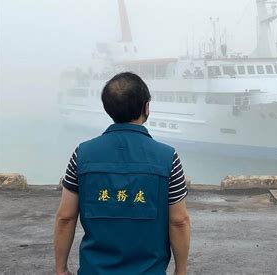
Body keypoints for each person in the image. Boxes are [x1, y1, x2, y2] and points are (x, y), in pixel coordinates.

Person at [54, 72, 190, 275]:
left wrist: (61, 268)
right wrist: (181, 271)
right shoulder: (168, 157)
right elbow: (179, 221)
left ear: (108, 108)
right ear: (146, 107)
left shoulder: (81, 154)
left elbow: (65, 217)